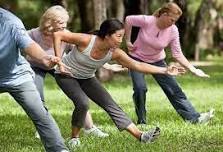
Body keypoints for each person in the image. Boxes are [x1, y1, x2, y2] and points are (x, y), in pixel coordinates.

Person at [52, 18, 185, 149]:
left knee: (110, 104)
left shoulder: (115, 53)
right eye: (118, 36)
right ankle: (74, 138)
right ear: (107, 35)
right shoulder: (86, 40)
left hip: (87, 77)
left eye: (122, 36)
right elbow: (58, 34)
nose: (121, 40)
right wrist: (59, 61)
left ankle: (141, 136)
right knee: (82, 103)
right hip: (66, 75)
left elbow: (137, 65)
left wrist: (165, 70)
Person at [27, 5, 120, 138]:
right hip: (35, 66)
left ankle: (89, 128)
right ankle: (42, 128)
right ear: (49, 21)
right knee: (37, 96)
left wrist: (107, 65)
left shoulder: (67, 34)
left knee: (80, 96)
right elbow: (19, 44)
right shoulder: (33, 34)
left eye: (65, 22)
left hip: (59, 65)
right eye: (60, 22)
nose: (63, 25)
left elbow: (85, 53)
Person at [124, 2, 214, 125]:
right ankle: (141, 121)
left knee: (173, 89)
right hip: (136, 59)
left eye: (175, 21)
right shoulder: (148, 21)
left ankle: (194, 118)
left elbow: (177, 54)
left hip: (157, 61)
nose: (173, 23)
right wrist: (128, 40)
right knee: (140, 88)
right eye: (172, 20)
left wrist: (193, 69)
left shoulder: (173, 30)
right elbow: (128, 20)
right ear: (164, 14)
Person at [0, 7, 69, 152]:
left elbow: (28, 44)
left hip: (16, 76)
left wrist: (44, 57)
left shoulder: (10, 22)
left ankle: (59, 149)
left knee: (40, 114)